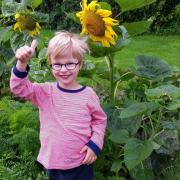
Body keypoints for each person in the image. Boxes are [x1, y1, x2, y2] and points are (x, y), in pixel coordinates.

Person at [10, 31, 107, 180]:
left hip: (82, 163)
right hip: (54, 163)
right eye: (57, 65)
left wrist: (95, 143)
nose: (63, 70)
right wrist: (22, 63)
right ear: (51, 65)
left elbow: (99, 120)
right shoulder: (45, 92)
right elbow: (19, 88)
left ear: (80, 64)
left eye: (69, 64)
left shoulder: (89, 94)